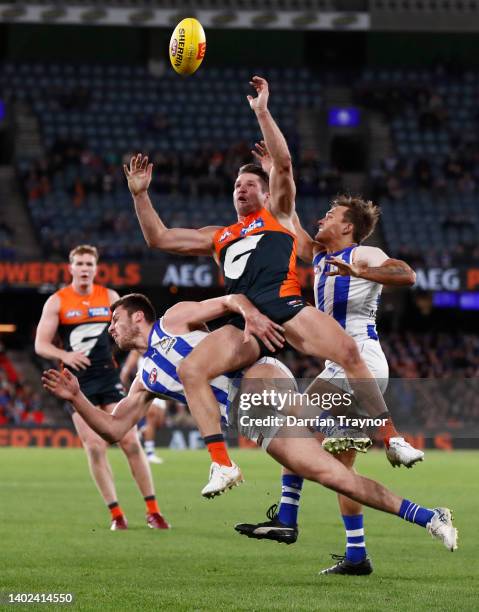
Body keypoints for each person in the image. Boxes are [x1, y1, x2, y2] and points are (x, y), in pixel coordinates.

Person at [124, 76, 417, 496]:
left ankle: (392, 439)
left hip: (286, 307)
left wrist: (262, 111)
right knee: (193, 370)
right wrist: (140, 196)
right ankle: (222, 465)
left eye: (249, 184)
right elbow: (160, 238)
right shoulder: (219, 235)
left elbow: (283, 165)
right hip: (246, 321)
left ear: (266, 192)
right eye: (236, 186)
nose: (241, 189)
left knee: (349, 352)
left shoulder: (278, 216)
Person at [42, 292, 458, 558]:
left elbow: (230, 300)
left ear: (137, 317)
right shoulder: (142, 380)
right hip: (252, 421)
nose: (109, 329)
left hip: (256, 374)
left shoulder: (174, 318)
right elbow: (115, 431)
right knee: (338, 479)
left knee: (256, 390)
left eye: (114, 320)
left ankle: (345, 425)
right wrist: (78, 397)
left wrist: (251, 317)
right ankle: (429, 517)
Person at [234, 141, 423, 575]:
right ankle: (356, 555)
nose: (322, 219)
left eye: (331, 216)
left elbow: (406, 274)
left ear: (348, 227)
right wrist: (275, 171)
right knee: (341, 470)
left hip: (362, 362)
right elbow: (286, 216)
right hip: (336, 365)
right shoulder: (319, 255)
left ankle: (288, 516)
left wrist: (362, 271)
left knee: (291, 426)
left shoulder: (362, 253)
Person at [34, 244, 168, 531]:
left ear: (96, 268)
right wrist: (65, 356)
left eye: (89, 264)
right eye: (79, 264)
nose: (84, 269)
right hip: (76, 383)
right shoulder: (57, 301)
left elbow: (127, 334)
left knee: (130, 441)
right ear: (71, 268)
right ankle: (117, 514)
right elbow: (40, 344)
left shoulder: (109, 297)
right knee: (95, 447)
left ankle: (153, 511)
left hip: (108, 378)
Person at [120, 350, 166, 464]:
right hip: (148, 384)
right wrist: (124, 378)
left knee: (159, 422)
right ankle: (150, 453)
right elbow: (130, 363)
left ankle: (140, 431)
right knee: (152, 416)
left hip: (163, 385)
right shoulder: (140, 348)